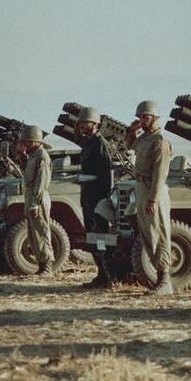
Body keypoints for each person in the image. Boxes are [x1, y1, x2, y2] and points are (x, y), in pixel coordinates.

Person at [125, 100, 173, 295]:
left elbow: (161, 173)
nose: (142, 121)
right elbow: (130, 146)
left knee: (158, 233)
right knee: (148, 234)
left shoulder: (160, 141)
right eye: (139, 117)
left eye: (145, 117)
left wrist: (153, 199)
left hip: (154, 190)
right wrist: (132, 131)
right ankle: (159, 278)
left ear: (155, 118)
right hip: (141, 186)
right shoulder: (145, 139)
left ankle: (165, 279)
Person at [75, 107, 114, 288]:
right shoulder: (89, 144)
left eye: (85, 122)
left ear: (95, 124)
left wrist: (88, 179)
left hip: (97, 200)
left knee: (101, 237)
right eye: (81, 122)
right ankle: (101, 274)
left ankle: (107, 275)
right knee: (93, 237)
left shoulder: (101, 145)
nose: (81, 125)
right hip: (88, 199)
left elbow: (106, 177)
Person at [19, 125, 55, 276]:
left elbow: (42, 181)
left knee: (41, 232)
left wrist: (35, 203)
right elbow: (26, 173)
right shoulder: (33, 155)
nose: (25, 144)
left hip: (38, 198)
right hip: (31, 197)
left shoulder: (42, 156)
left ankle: (47, 266)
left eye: (27, 141)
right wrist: (21, 155)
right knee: (33, 234)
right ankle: (41, 266)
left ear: (36, 141)